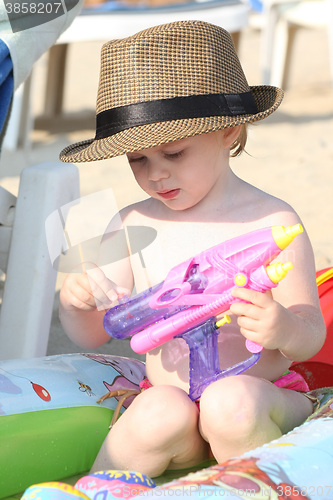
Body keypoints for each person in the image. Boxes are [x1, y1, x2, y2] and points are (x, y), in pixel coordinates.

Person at [59, 20, 326, 477]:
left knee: (229, 401)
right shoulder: (133, 224)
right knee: (157, 411)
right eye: (138, 160)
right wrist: (77, 301)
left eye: (174, 154)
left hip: (260, 405)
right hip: (177, 416)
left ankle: (273, 485)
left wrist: (280, 326)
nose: (155, 175)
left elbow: (310, 337)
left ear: (229, 132)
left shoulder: (272, 223)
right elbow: (93, 334)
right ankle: (96, 487)